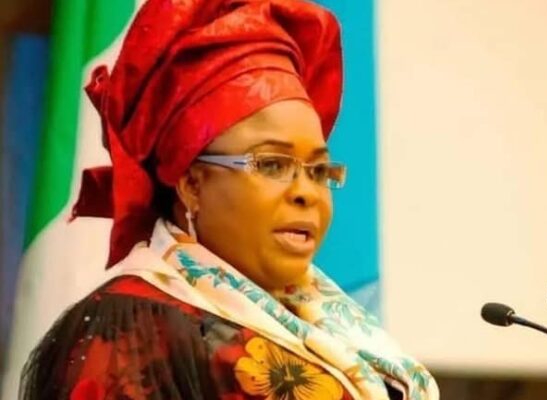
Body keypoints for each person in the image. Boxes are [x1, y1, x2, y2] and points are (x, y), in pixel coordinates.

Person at [20, 0, 439, 399]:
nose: (306, 193)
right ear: (192, 184)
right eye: (272, 165)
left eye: (318, 171)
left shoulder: (330, 326)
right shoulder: (129, 333)